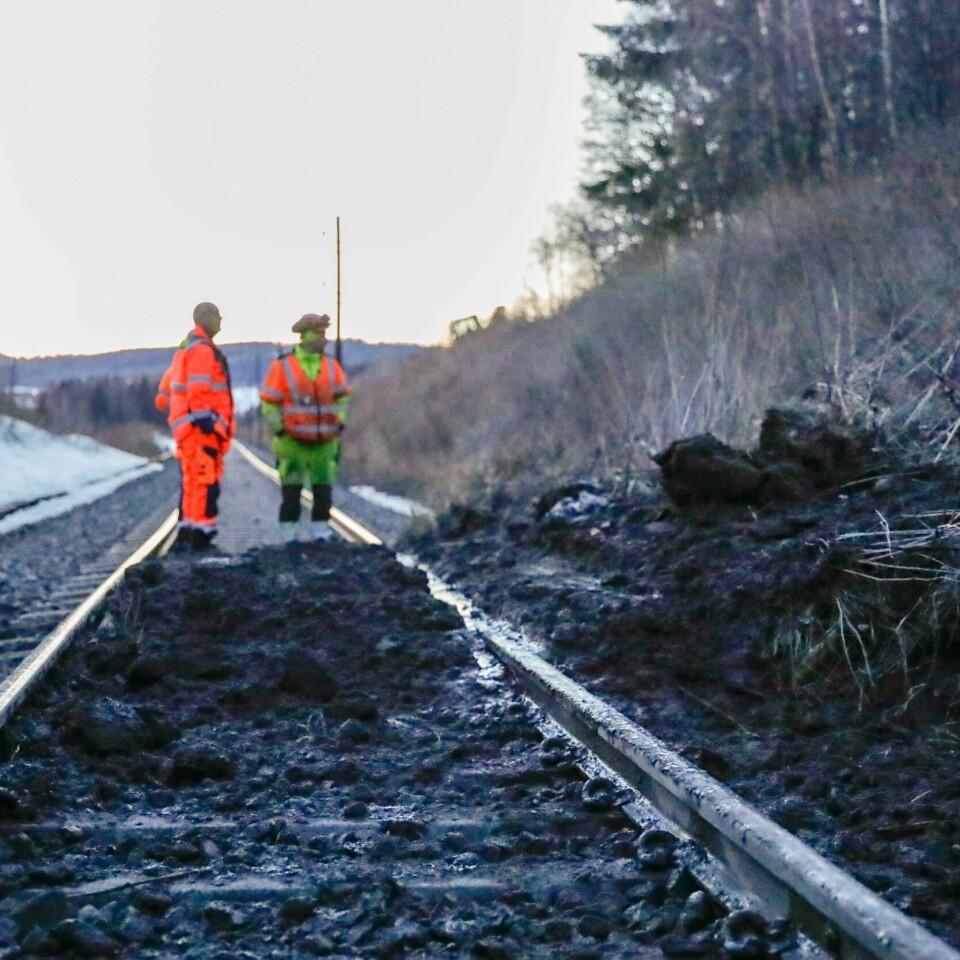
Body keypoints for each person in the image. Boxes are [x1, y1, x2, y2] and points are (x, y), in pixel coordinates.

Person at [259, 312, 351, 542]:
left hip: (325, 442)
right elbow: (269, 402)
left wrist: (339, 421)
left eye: (324, 334)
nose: (324, 339)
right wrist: (279, 428)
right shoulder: (283, 367)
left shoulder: (331, 366)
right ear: (305, 336)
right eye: (319, 334)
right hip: (292, 443)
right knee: (291, 492)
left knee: (323, 491)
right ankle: (289, 536)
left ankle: (320, 532)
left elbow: (342, 397)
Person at [166, 302, 235, 550]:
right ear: (204, 319)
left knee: (193, 481)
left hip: (191, 429)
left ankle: (189, 528)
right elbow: (199, 387)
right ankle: (201, 533)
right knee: (205, 480)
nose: (221, 320)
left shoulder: (190, 347)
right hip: (201, 429)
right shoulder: (202, 350)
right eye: (217, 316)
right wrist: (206, 420)